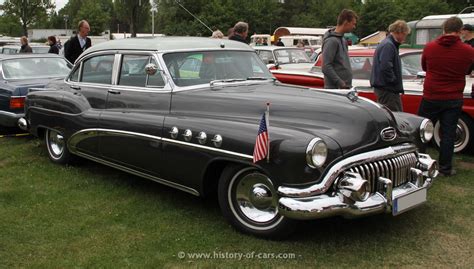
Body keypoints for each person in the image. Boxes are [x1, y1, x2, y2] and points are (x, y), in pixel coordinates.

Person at [418, 16, 474, 177]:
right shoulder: (468, 51)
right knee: (448, 134)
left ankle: (420, 165)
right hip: (453, 96)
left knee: (422, 131)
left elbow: (425, 66)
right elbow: (467, 69)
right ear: (460, 31)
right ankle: (445, 168)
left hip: (431, 95)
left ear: (444, 29)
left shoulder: (430, 47)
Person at [370, 20, 411, 112]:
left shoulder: (388, 44)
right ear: (399, 32)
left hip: (386, 88)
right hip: (387, 89)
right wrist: (393, 81)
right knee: (394, 116)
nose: (405, 37)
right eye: (405, 34)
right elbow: (385, 66)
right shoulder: (389, 45)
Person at [321, 9, 358, 89]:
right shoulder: (331, 41)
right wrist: (340, 82)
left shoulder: (343, 39)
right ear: (346, 22)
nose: (354, 27)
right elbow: (326, 66)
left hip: (344, 87)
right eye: (353, 24)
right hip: (336, 89)